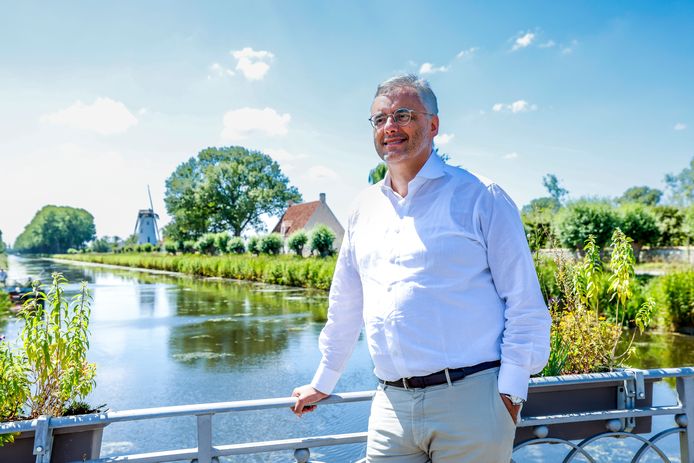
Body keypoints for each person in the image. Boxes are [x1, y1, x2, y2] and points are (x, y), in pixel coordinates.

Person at [291, 74, 551, 462]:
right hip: (390, 407)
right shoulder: (363, 209)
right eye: (379, 119)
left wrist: (509, 395)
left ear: (433, 125)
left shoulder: (481, 196)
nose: (389, 127)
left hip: (472, 403)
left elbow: (525, 303)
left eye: (403, 115)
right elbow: (346, 304)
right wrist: (324, 380)